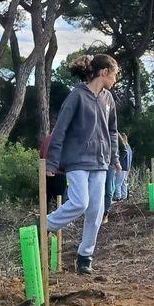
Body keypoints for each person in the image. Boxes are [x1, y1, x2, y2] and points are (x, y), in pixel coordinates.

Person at [45, 54, 122, 275]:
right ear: (104, 72)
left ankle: (84, 257)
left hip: (100, 162)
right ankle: (45, 225)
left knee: (96, 211)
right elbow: (59, 130)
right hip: (77, 160)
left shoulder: (108, 99)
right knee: (80, 202)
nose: (115, 80)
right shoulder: (76, 96)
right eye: (114, 74)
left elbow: (113, 131)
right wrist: (52, 162)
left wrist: (114, 158)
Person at [114, 132, 133, 201]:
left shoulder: (123, 147)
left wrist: (117, 163)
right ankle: (124, 196)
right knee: (124, 182)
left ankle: (118, 197)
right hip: (127, 168)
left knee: (118, 183)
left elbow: (122, 156)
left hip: (121, 167)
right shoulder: (129, 148)